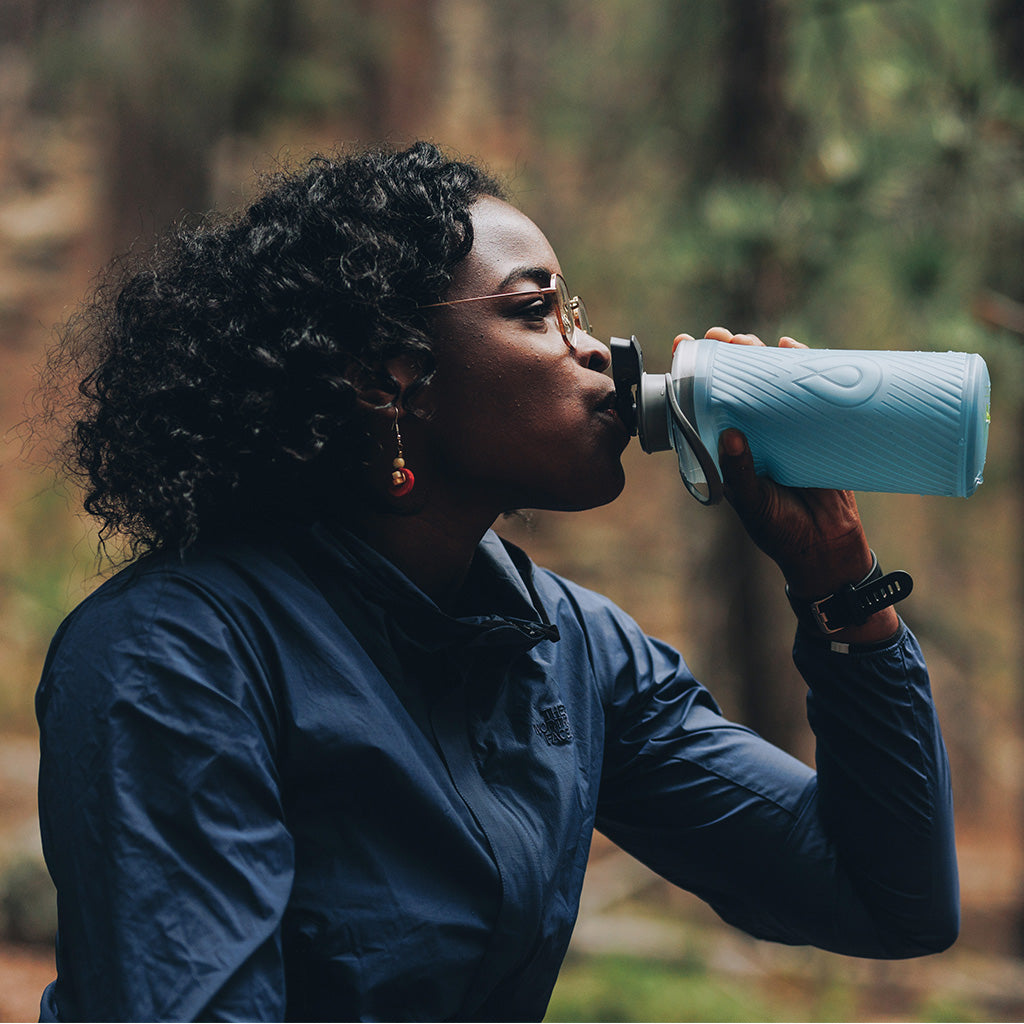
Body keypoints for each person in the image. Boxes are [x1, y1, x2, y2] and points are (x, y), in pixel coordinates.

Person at [36, 141, 959, 1022]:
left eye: (579, 313)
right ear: (390, 381)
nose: (599, 351)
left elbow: (884, 898)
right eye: (537, 311)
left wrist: (840, 586)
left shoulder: (570, 650)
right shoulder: (176, 655)